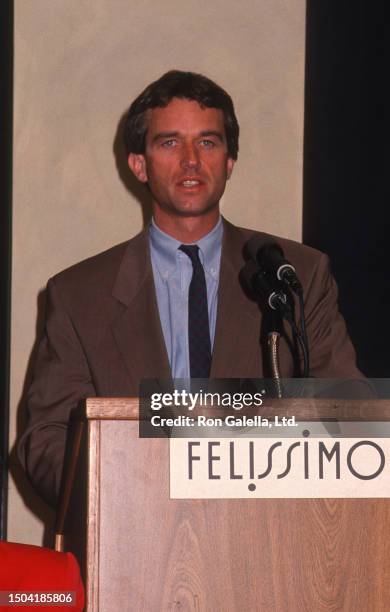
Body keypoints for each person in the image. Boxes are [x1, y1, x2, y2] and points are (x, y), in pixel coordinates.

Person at [18, 70, 363, 507]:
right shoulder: (78, 295)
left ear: (229, 161)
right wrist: (134, 489)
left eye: (207, 142)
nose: (190, 161)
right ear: (139, 164)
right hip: (132, 541)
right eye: (169, 143)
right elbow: (44, 442)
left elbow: (350, 417)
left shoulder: (296, 274)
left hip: (267, 542)